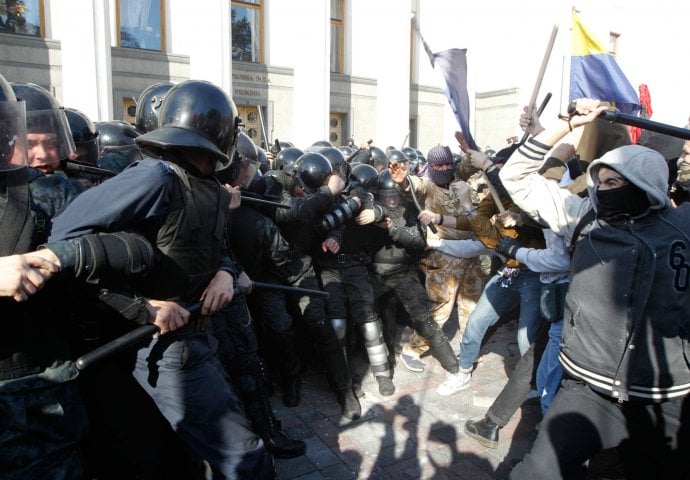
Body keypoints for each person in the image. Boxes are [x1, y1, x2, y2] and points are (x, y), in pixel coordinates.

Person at [48, 79, 275, 478]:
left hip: (197, 337)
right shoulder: (157, 178)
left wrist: (225, 271)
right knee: (246, 460)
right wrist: (143, 306)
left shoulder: (209, 188)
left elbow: (209, 243)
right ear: (224, 133)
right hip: (162, 347)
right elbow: (64, 237)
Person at [500, 98, 690, 479]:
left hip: (663, 394)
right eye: (599, 182)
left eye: (613, 182)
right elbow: (515, 177)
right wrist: (569, 126)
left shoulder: (682, 227)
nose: (602, 191)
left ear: (645, 185)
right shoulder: (582, 218)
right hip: (588, 389)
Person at [388, 145, 484, 386]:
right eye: (438, 165)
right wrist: (402, 182)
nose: (444, 169)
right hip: (443, 257)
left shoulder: (459, 182)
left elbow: (468, 167)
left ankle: (467, 348)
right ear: (431, 166)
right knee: (440, 310)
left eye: (447, 164)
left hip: (471, 255)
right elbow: (415, 186)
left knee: (471, 305)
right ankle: (412, 349)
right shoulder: (427, 185)